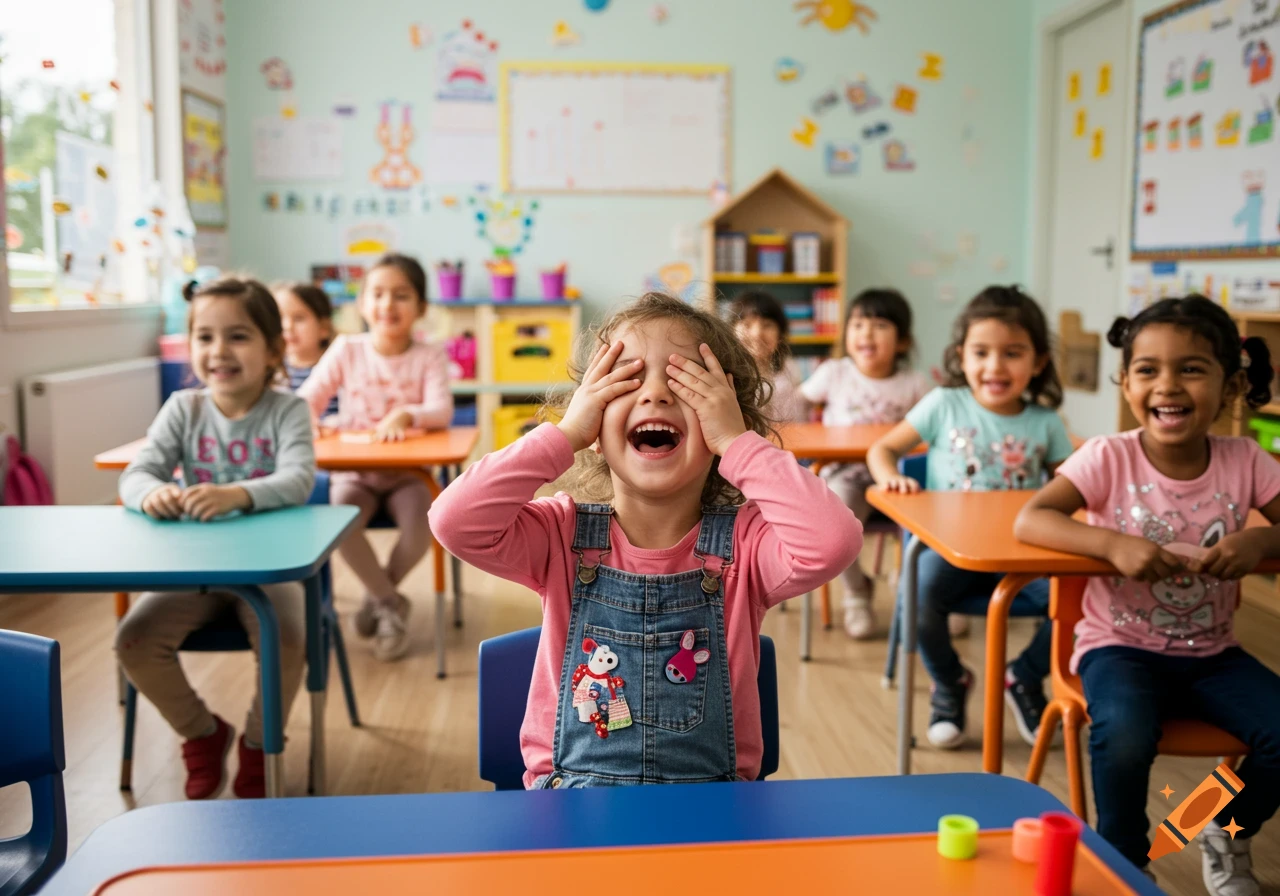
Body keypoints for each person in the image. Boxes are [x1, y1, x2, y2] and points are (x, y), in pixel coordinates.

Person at [430, 292, 863, 787]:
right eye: (626, 381)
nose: (654, 395)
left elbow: (835, 541)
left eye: (685, 384)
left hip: (714, 815)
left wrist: (740, 444)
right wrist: (566, 433)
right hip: (571, 809)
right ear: (595, 423)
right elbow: (454, 520)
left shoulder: (747, 547)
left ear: (723, 420)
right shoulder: (560, 536)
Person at [1015, 295, 1280, 894]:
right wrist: (1110, 544)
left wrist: (1259, 546)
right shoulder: (1109, 455)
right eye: (1148, 369)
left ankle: (1222, 827)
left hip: (1213, 654)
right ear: (1126, 381)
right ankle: (1126, 859)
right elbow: (1031, 521)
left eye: (1191, 368)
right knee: (1126, 735)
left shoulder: (1247, 460)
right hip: (1120, 647)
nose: (1169, 384)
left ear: (1231, 384)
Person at [116, 276, 315, 800]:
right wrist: (151, 493)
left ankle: (258, 743)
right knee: (132, 642)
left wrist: (237, 495)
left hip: (270, 571)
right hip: (195, 573)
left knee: (291, 639)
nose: (218, 351)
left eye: (238, 336)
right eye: (204, 337)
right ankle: (202, 735)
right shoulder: (184, 409)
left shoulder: (287, 410)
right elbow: (135, 475)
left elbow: (297, 479)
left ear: (274, 348)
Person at [867, 285, 1072, 749]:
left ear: (1037, 362)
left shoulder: (1046, 420)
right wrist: (889, 478)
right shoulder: (945, 403)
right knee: (915, 597)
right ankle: (950, 681)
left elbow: (1073, 483)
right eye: (981, 352)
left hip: (1025, 553)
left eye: (1013, 353)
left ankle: (1023, 676)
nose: (995, 366)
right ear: (962, 355)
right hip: (950, 550)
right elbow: (883, 449)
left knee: (1080, 599)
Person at [298, 253, 452, 661]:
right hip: (355, 472)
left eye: (401, 295)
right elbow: (307, 400)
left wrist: (408, 414)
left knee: (424, 528)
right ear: (362, 304)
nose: (388, 305)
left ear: (420, 308)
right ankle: (389, 601)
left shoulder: (429, 355)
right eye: (378, 294)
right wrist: (309, 420)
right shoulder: (346, 349)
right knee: (340, 521)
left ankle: (375, 598)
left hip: (410, 476)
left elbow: (442, 411)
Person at [800, 288, 930, 638]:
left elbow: (933, 431)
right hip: (847, 474)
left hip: (898, 479)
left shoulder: (914, 384)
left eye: (879, 325)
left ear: (902, 341)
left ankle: (922, 592)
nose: (866, 334)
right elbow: (796, 405)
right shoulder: (835, 373)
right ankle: (857, 593)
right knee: (832, 522)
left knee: (933, 520)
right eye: (857, 324)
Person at [729, 290, 807, 423]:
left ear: (781, 334)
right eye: (747, 324)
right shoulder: (727, 372)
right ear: (731, 330)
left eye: (767, 325)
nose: (757, 333)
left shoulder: (790, 369)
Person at [275, 281, 338, 420]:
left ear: (324, 328)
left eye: (298, 318)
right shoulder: (271, 373)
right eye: (279, 318)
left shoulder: (338, 370)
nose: (287, 326)